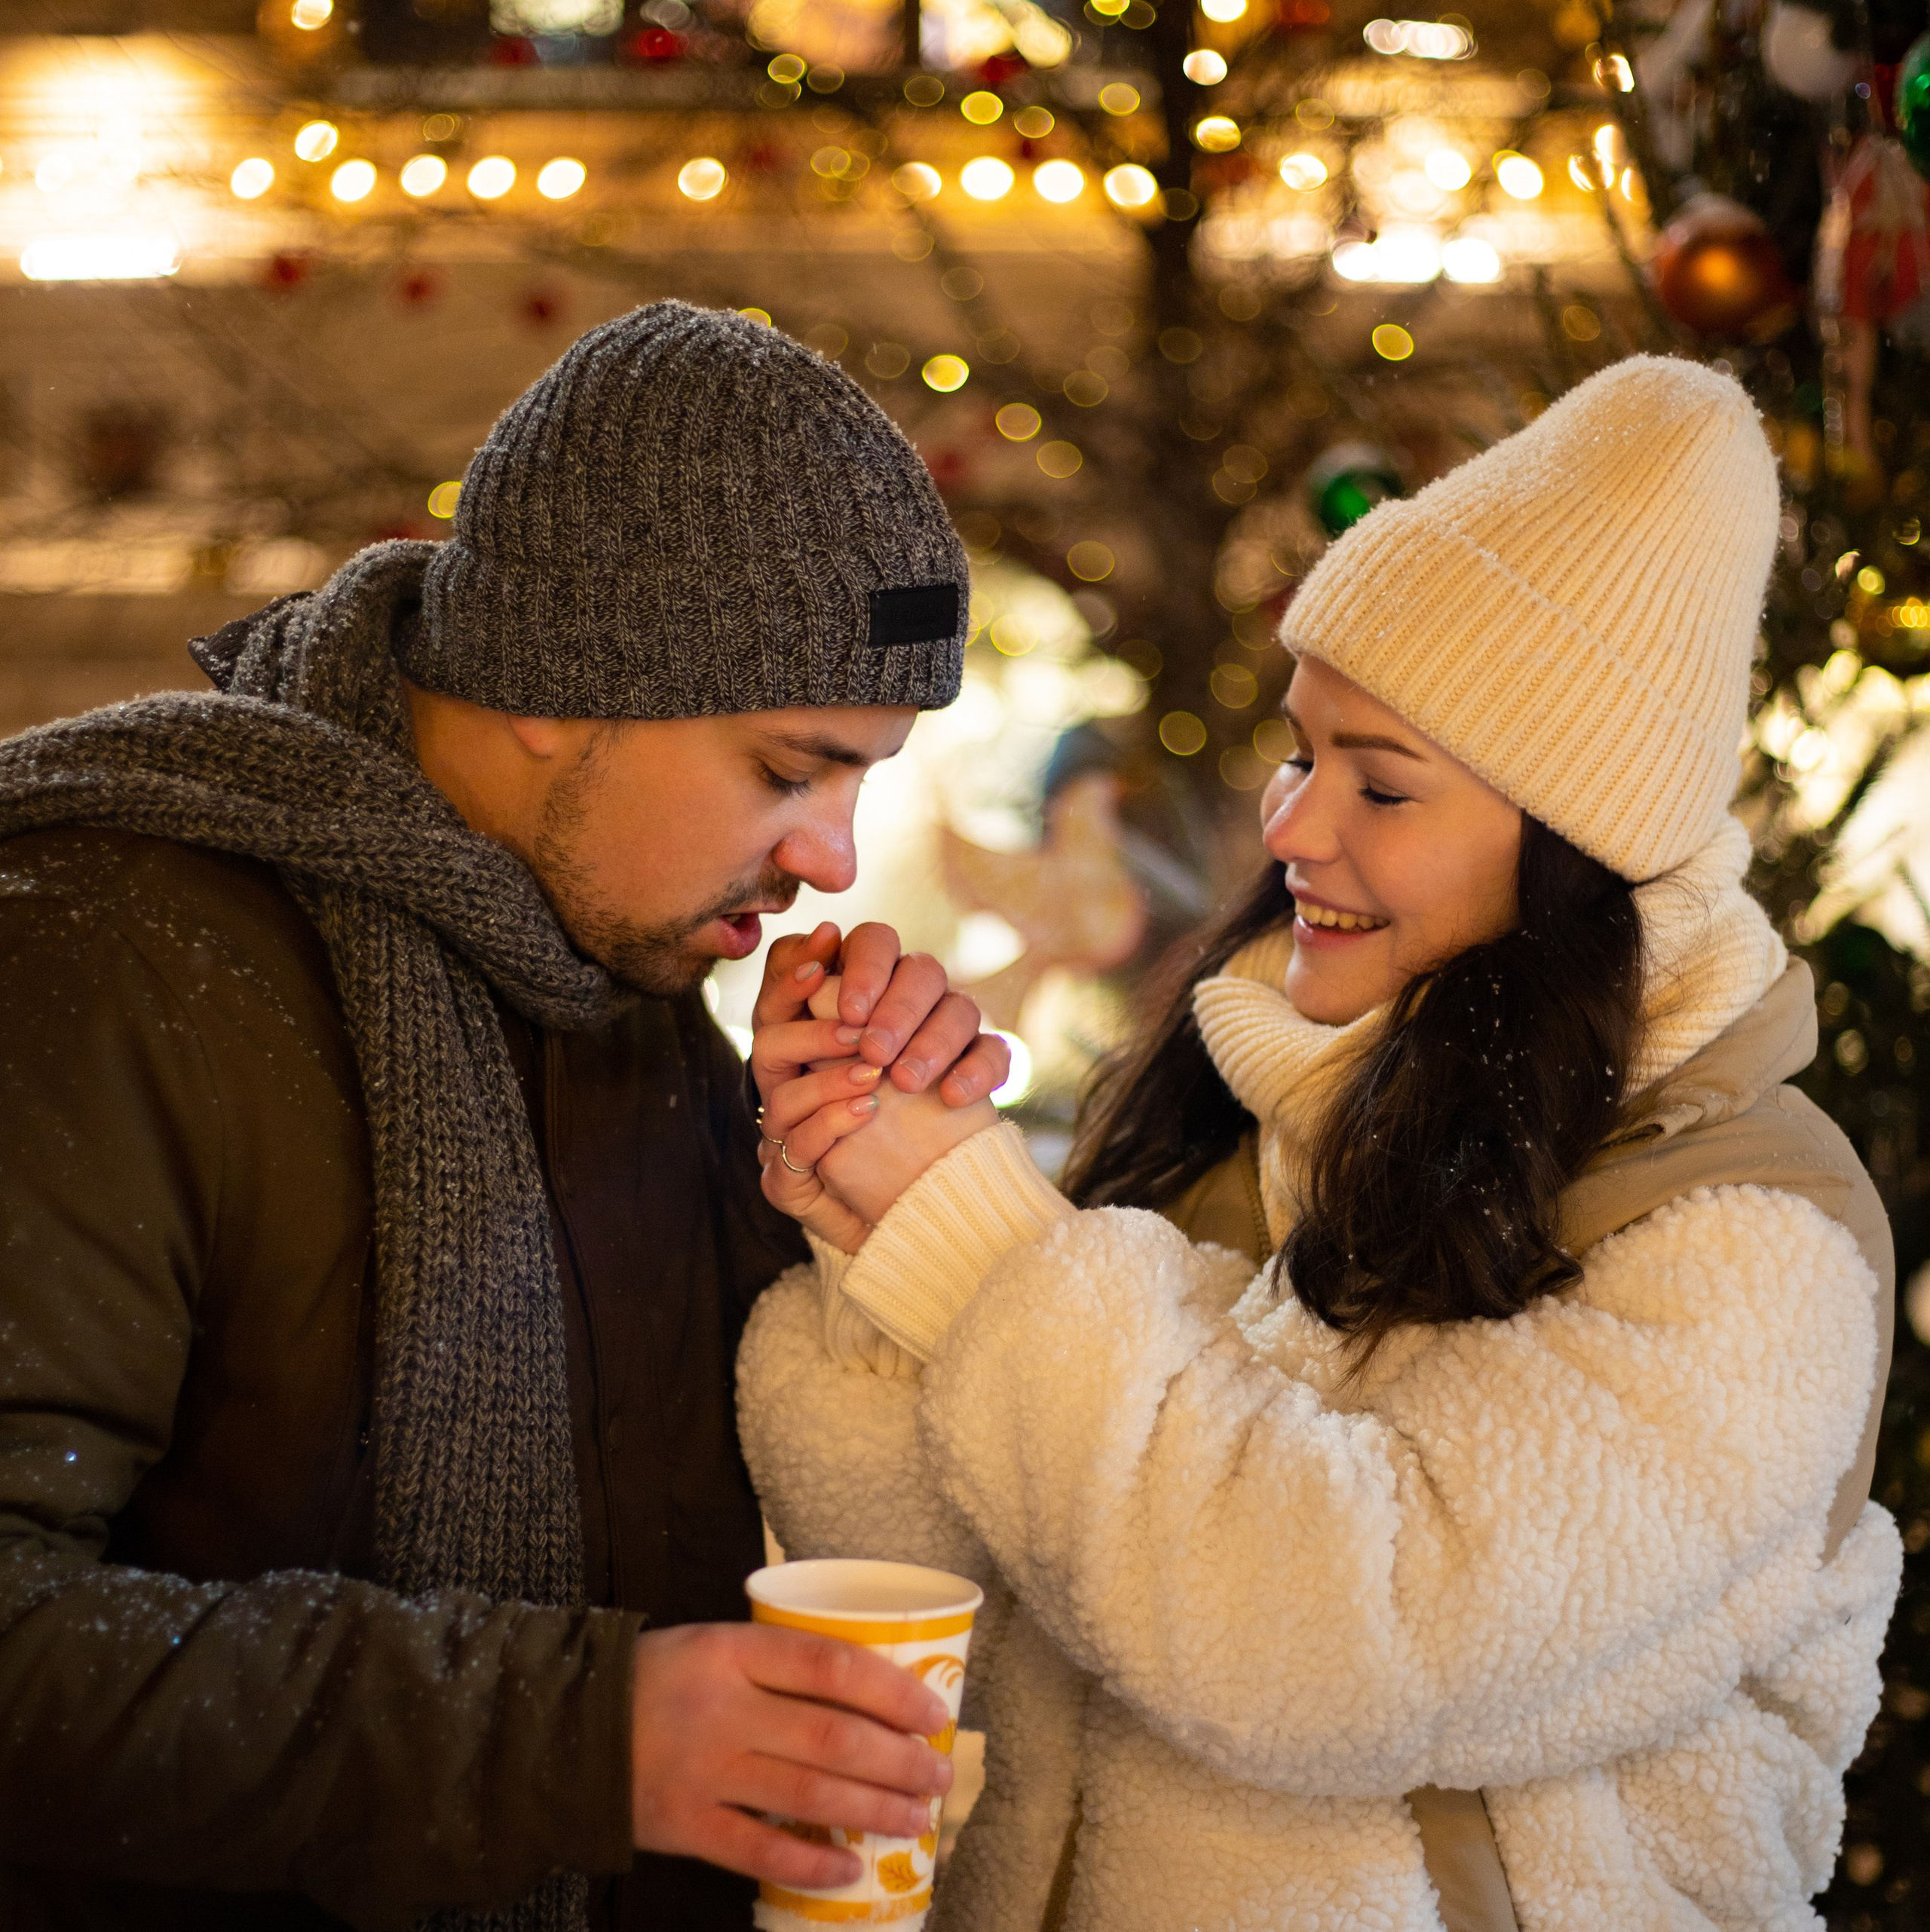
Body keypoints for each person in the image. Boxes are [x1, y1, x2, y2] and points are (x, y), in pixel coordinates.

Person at [738, 356, 1904, 1931]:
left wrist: (982, 1242)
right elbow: (984, 1580)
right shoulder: (1245, 1096)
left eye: (1380, 782)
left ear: (1572, 846)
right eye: (1303, 751)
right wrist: (879, 1238)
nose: (1289, 824)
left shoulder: (1747, 1239)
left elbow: (1338, 1644)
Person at [0, 302, 1009, 1932]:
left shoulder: (624, 986)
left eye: (861, 780)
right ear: (557, 681)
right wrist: (573, 1740)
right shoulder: (99, 955)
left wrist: (859, 1206)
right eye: (786, 767)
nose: (831, 853)